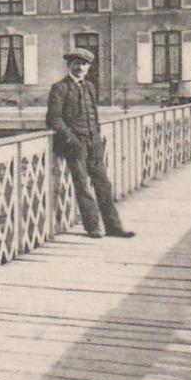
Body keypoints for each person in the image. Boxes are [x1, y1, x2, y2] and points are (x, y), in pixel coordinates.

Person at [46, 48, 134, 239]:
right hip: (74, 145)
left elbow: (94, 115)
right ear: (69, 65)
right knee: (83, 186)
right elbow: (54, 119)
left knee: (103, 184)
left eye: (84, 64)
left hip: (94, 143)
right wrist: (72, 140)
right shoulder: (60, 88)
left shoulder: (90, 87)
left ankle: (113, 227)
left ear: (88, 67)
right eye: (76, 63)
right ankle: (93, 227)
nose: (80, 67)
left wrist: (96, 137)